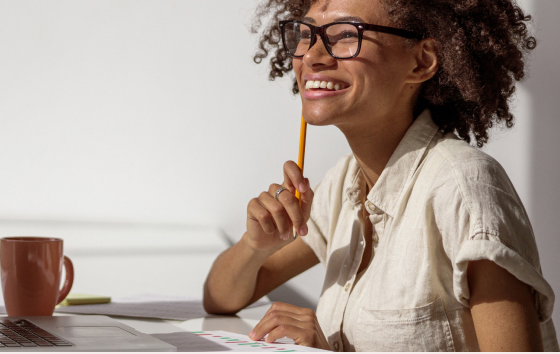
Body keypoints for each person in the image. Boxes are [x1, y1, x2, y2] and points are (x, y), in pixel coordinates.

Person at [202, 0, 559, 351]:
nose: (311, 56)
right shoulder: (344, 182)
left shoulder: (464, 187)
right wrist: (255, 245)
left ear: (422, 62)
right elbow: (221, 298)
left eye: (345, 34)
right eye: (306, 33)